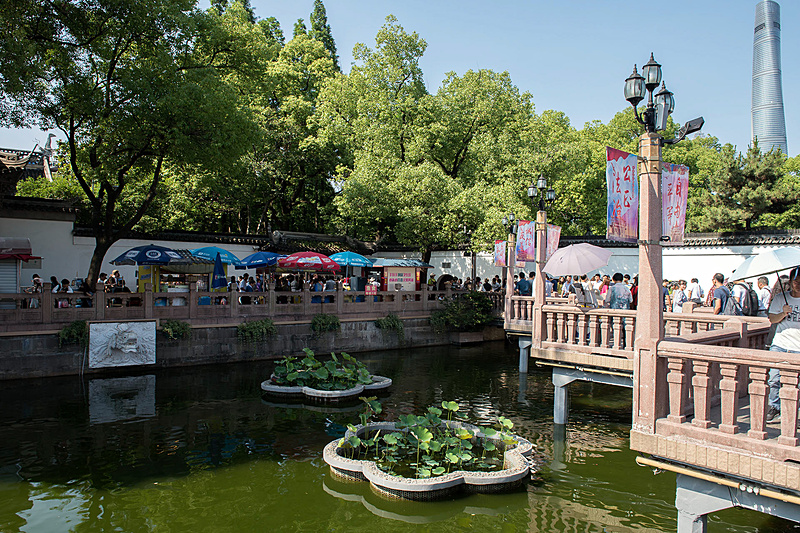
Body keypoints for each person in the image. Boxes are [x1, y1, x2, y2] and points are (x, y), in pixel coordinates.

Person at [765, 267, 800, 422]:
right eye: (796, 281)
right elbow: (772, 319)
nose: (798, 284)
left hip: (798, 346)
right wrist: (783, 313)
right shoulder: (780, 298)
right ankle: (775, 406)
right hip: (780, 344)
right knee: (774, 378)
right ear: (791, 282)